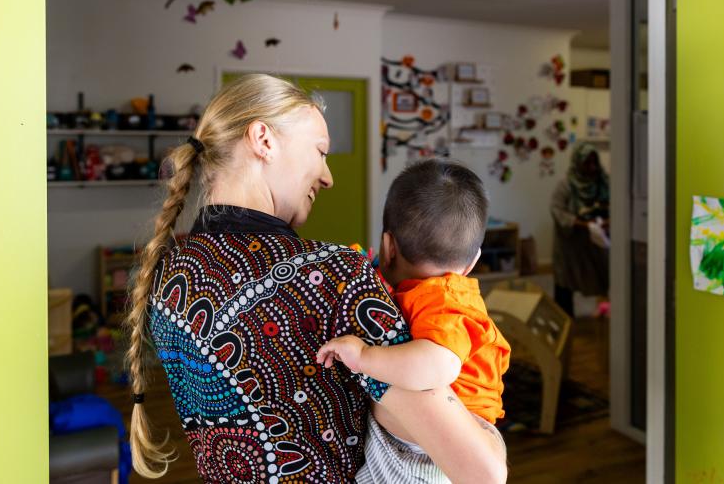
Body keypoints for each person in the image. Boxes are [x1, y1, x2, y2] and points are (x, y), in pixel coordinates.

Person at [125, 74, 507, 483]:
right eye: (320, 152)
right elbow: (482, 472)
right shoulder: (335, 275)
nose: (328, 177)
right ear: (263, 140)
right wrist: (490, 436)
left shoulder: (172, 277)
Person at [317, 159, 511, 483]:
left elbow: (437, 368)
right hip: (416, 436)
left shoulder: (447, 300)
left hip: (437, 448)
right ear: (472, 262)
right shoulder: (408, 286)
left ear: (389, 245)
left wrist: (365, 357)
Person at [550, 142, 610, 317]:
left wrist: (607, 222)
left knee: (604, 277)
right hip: (571, 245)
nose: (591, 167)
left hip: (597, 243)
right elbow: (557, 210)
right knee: (566, 282)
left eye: (594, 162)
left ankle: (606, 312)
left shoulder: (604, 183)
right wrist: (583, 224)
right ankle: (565, 320)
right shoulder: (567, 185)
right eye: (587, 163)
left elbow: (617, 206)